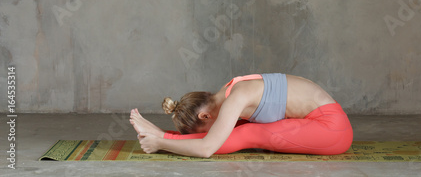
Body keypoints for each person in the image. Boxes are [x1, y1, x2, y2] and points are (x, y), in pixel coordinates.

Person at [129, 73, 353, 158]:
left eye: (207, 128)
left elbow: (208, 148)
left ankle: (162, 138)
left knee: (247, 133)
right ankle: (164, 135)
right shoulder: (230, 88)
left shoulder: (236, 98)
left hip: (333, 129)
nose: (213, 131)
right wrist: (164, 134)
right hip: (321, 120)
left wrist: (160, 142)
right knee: (237, 130)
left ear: (205, 116)